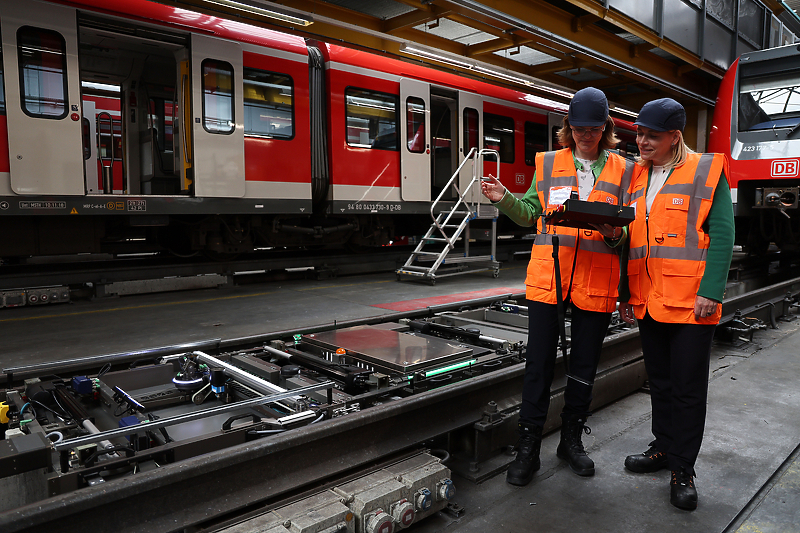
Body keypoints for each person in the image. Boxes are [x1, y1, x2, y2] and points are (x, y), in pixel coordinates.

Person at [481, 87, 634, 485]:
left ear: (606, 128)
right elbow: (529, 212)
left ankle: (570, 441)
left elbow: (627, 233)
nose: (586, 135)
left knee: (584, 366)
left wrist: (612, 234)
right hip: (550, 277)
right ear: (569, 127)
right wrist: (503, 198)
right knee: (538, 366)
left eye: (594, 128)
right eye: (579, 128)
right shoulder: (548, 163)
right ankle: (528, 447)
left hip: (596, 280)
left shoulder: (623, 169)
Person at [618, 98, 734, 510]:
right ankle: (662, 448)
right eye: (639, 133)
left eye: (652, 135)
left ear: (674, 137)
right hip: (649, 299)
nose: (643, 141)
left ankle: (683, 468)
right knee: (661, 382)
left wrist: (712, 290)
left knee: (687, 389)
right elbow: (631, 238)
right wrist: (625, 294)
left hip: (691, 302)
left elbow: (722, 232)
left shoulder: (706, 170)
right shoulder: (636, 176)